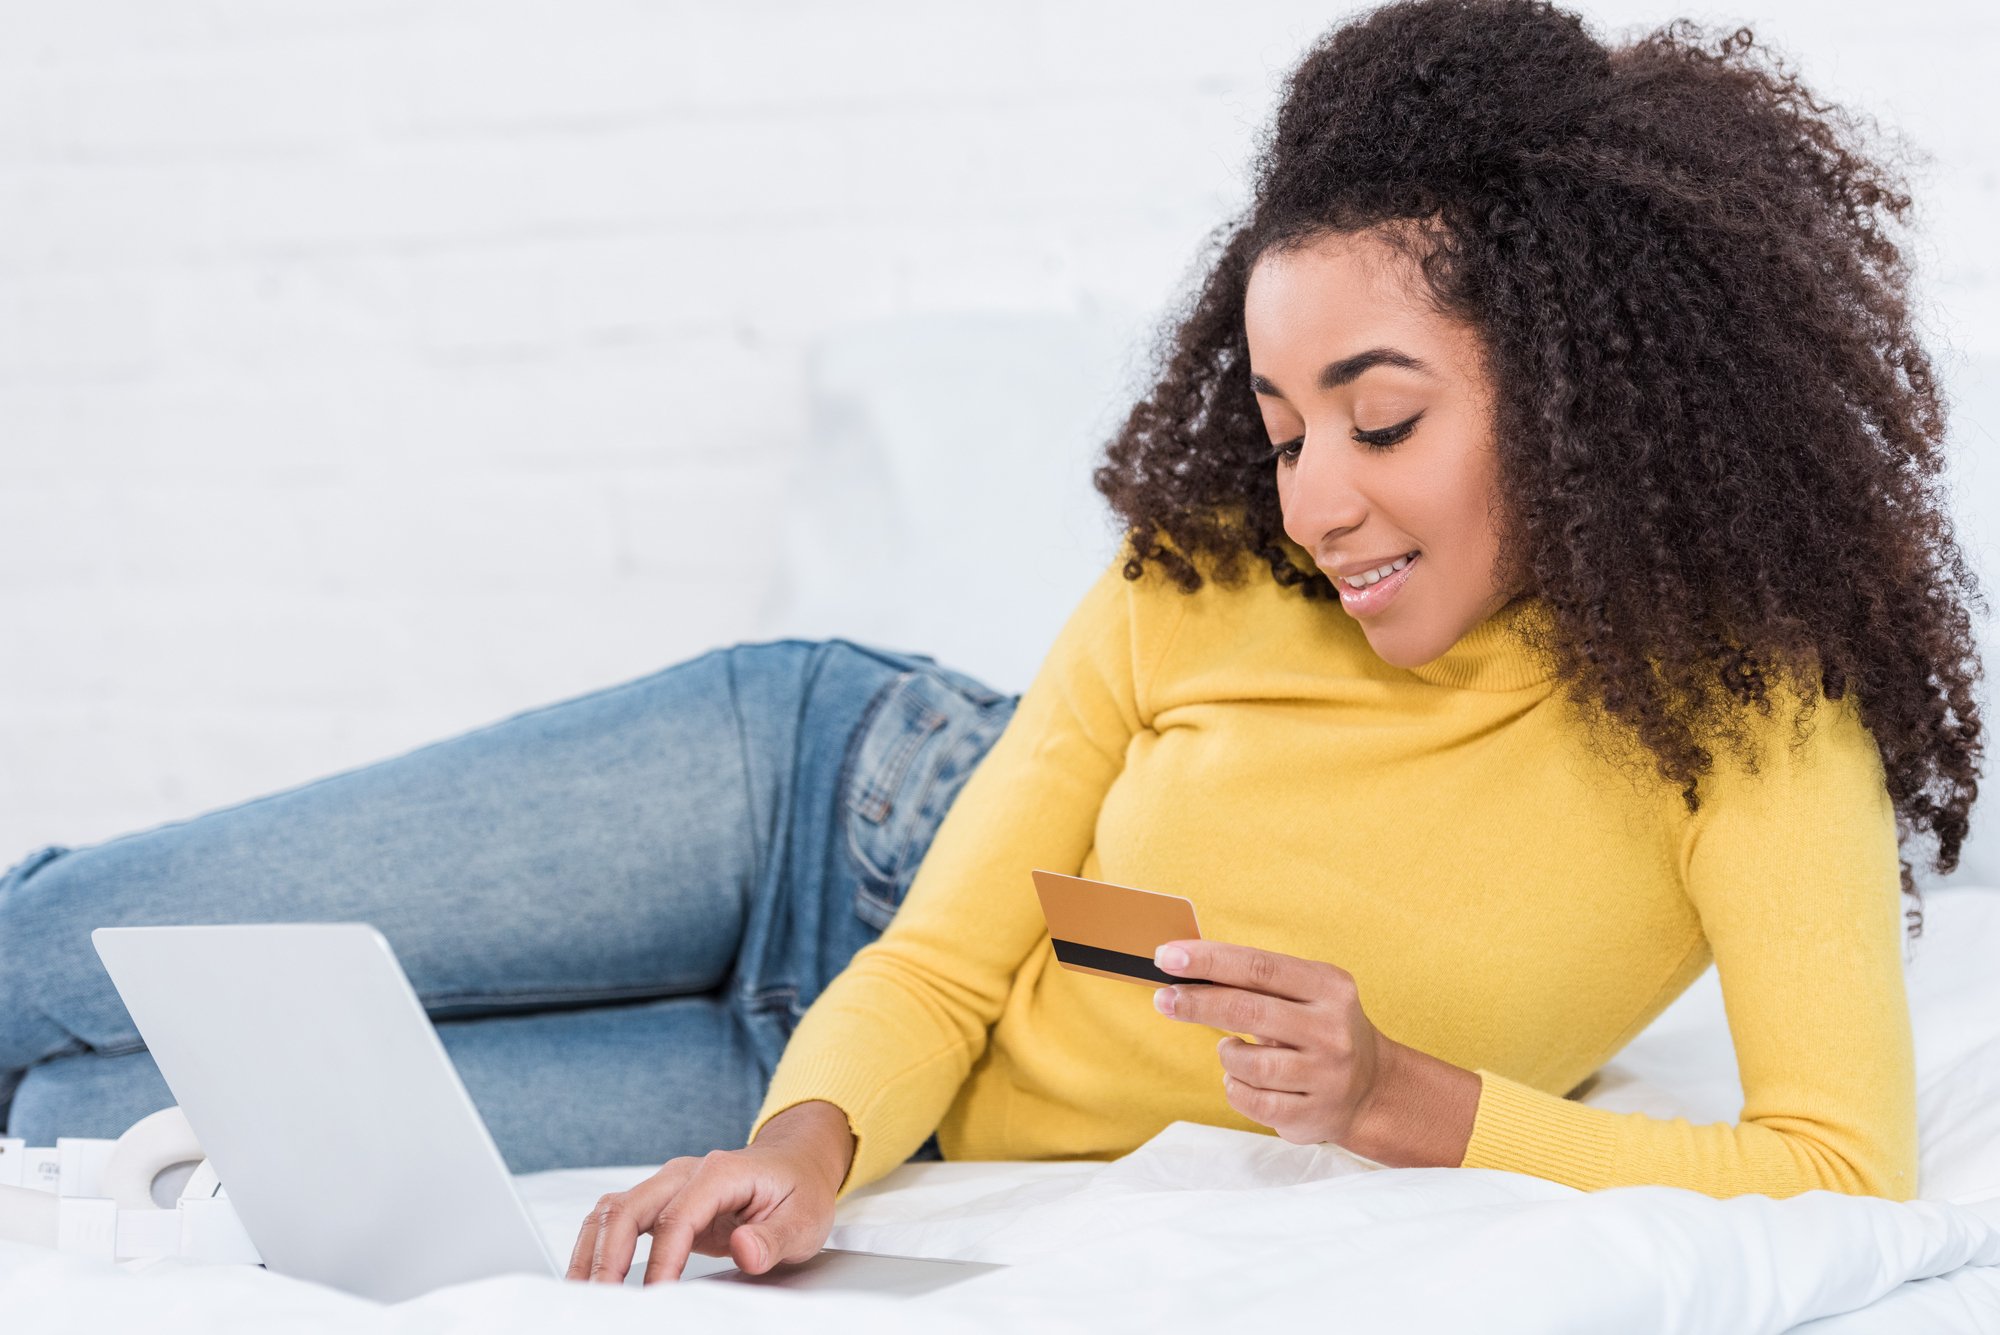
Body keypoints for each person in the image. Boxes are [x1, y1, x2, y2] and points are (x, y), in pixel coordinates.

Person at [0, 0, 1981, 1291]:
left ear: (1576, 381)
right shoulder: (1204, 579)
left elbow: (1831, 1166)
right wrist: (810, 1133)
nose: (1315, 505)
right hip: (816, 807)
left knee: (87, 1111)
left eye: (1381, 421)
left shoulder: (1738, 713)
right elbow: (944, 950)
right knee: (53, 955)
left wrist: (1407, 1103)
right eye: (1284, 431)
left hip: (827, 1050)